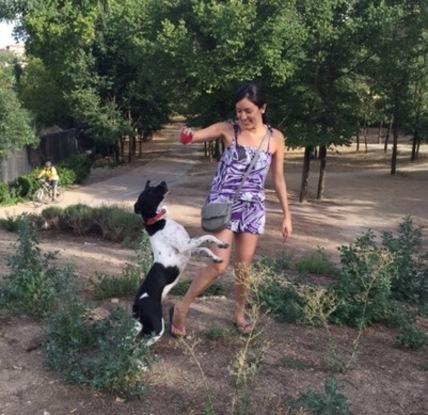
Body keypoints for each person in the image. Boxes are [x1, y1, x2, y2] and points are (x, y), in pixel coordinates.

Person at [170, 82, 293, 336]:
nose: (242, 116)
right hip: (224, 205)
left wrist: (286, 215)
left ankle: (238, 313)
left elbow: (278, 179)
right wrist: (187, 135)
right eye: (238, 111)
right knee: (218, 265)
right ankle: (181, 308)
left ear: (262, 108)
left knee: (244, 268)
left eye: (248, 111)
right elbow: (195, 135)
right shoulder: (228, 130)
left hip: (253, 208)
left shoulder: (276, 138)